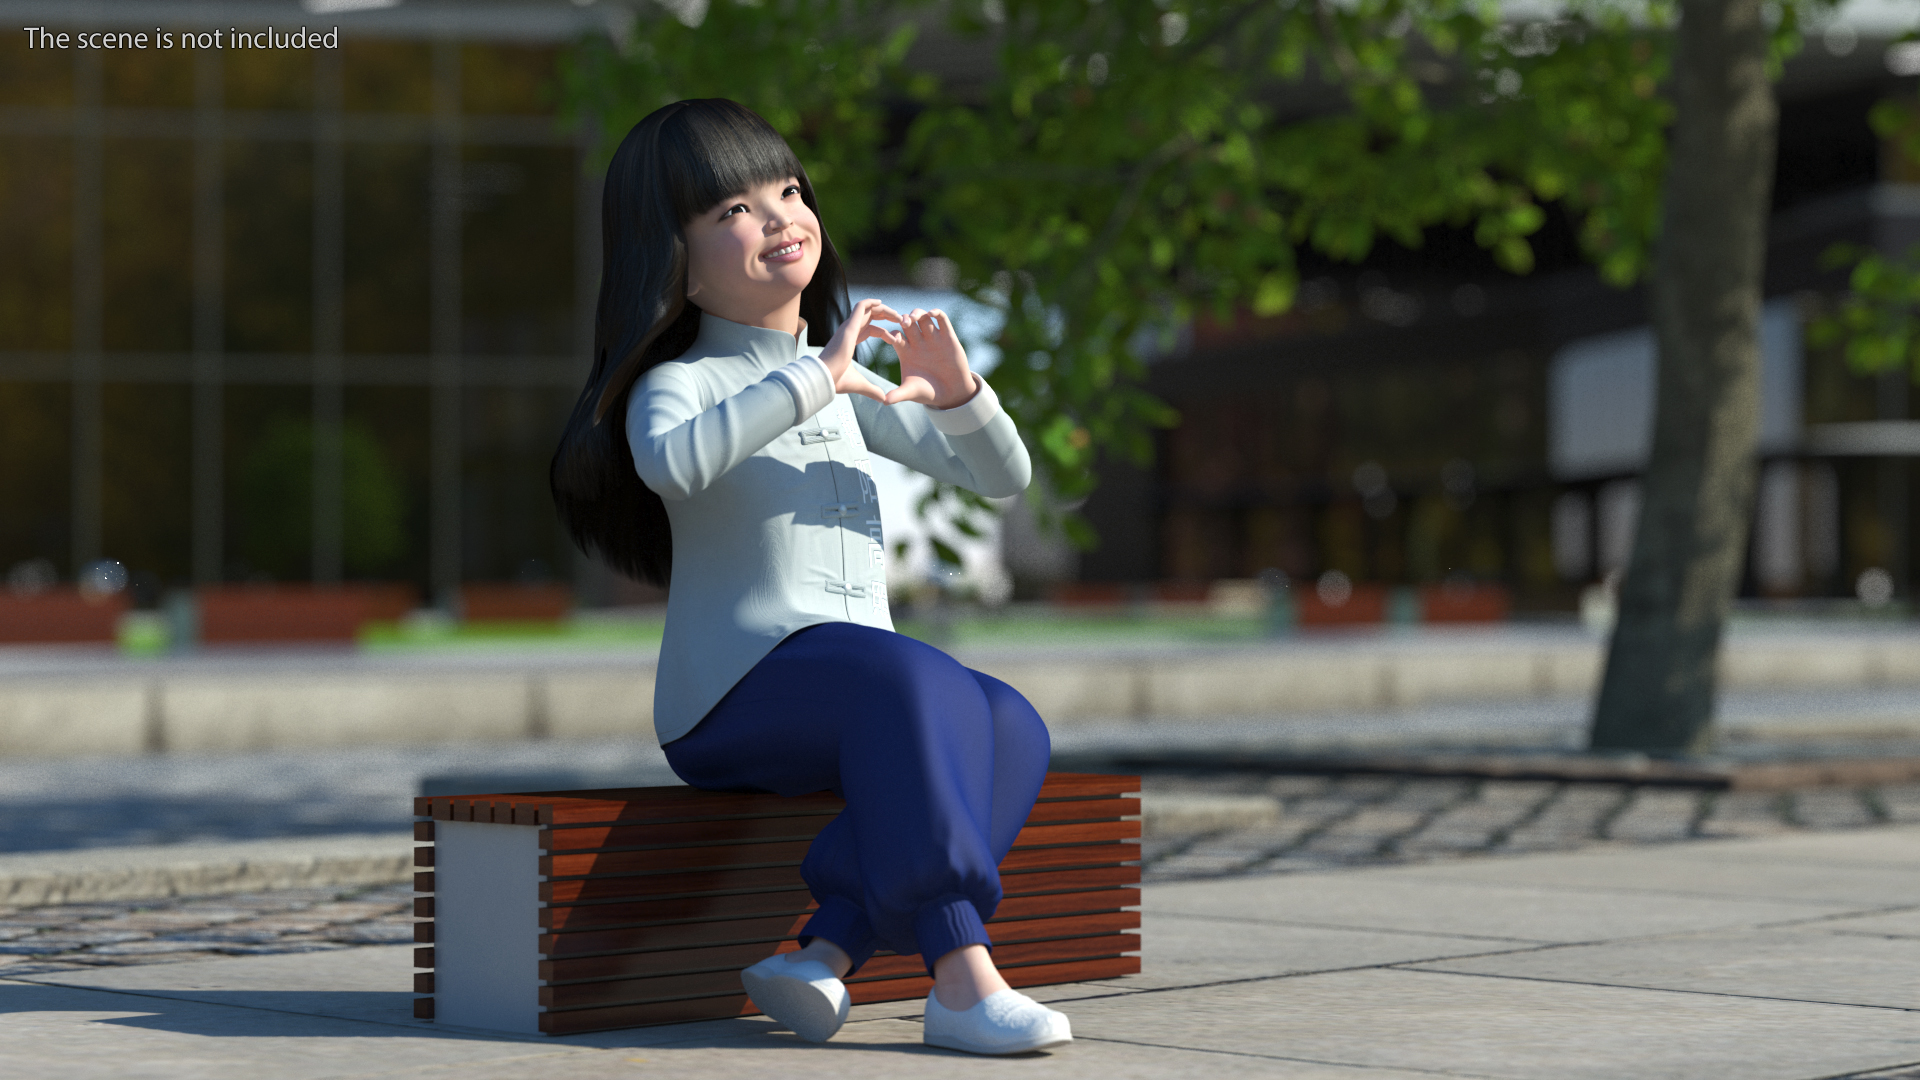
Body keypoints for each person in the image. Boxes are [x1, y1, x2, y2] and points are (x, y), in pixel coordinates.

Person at [550, 98, 1070, 1056]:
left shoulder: (838, 379)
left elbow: (1002, 478)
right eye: (733, 211)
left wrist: (958, 395)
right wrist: (816, 378)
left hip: (859, 691)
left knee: (1008, 721)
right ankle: (962, 982)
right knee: (914, 676)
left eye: (787, 191)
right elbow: (671, 462)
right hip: (733, 699)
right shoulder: (690, 381)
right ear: (672, 258)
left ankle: (827, 948)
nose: (781, 217)